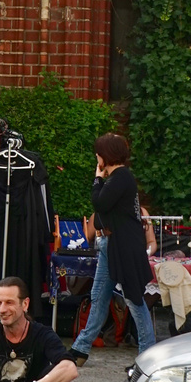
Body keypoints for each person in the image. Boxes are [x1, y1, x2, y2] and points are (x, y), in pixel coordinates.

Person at [68, 134, 155, 365]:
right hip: (111, 245)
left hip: (122, 246)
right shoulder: (118, 178)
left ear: (105, 156)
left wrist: (97, 179)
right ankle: (80, 349)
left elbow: (100, 203)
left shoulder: (121, 176)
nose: (96, 159)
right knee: (99, 296)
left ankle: (148, 355)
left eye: (98, 154)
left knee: (134, 300)